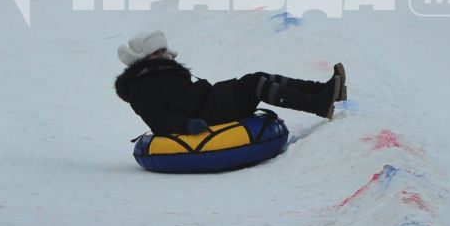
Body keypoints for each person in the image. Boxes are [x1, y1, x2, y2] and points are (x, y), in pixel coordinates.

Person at [113, 32, 346, 135]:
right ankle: (317, 105)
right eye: (158, 52)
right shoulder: (141, 88)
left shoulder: (165, 73)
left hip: (210, 100)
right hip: (205, 114)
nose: (164, 55)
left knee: (258, 77)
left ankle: (323, 91)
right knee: (254, 84)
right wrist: (187, 125)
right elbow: (158, 120)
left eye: (164, 50)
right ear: (144, 58)